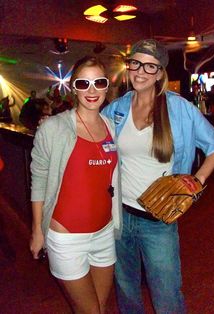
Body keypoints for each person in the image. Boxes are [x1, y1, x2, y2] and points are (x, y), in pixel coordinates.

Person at [102, 39, 214, 314]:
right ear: (129, 65)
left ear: (160, 72)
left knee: (166, 292)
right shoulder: (117, 108)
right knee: (125, 287)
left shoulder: (178, 108)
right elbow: (94, 138)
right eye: (136, 63)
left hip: (158, 218)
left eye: (150, 66)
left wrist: (198, 179)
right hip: (120, 215)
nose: (141, 71)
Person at [30, 56, 122, 314]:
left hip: (104, 233)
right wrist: (37, 230)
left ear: (107, 87)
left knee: (101, 308)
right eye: (84, 83)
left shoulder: (112, 126)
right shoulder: (54, 128)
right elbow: (38, 179)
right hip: (67, 237)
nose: (91, 90)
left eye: (98, 82)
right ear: (73, 87)